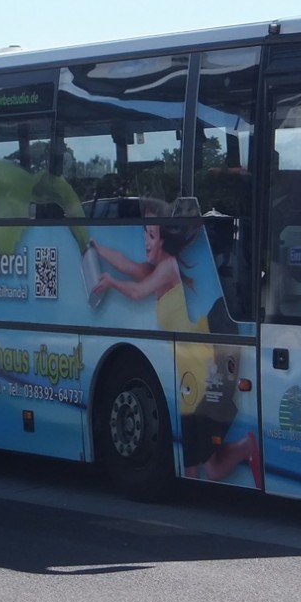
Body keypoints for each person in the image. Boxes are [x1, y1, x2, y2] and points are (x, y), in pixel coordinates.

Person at [90, 203, 262, 487]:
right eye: (145, 232)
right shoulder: (155, 267)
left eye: (152, 235)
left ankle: (245, 448)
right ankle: (246, 447)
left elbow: (136, 292)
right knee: (211, 468)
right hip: (186, 365)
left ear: (164, 240)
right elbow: (124, 263)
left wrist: (111, 283)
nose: (146, 240)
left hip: (199, 362)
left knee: (194, 466)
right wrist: (97, 247)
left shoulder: (167, 267)